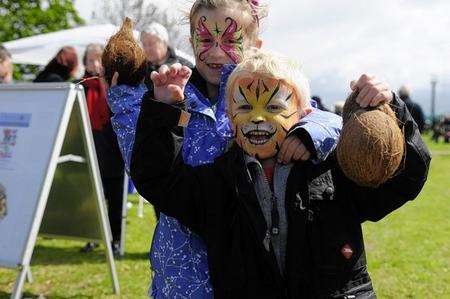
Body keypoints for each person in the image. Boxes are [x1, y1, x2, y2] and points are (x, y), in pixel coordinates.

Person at [129, 48, 430, 298]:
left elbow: (405, 180)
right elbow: (159, 181)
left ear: (305, 114)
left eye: (273, 106)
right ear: (231, 119)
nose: (258, 118)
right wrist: (164, 111)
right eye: (245, 106)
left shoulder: (333, 173)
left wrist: (392, 108)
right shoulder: (217, 184)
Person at [108, 1, 341, 296]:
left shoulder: (267, 91)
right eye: (205, 39)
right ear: (191, 40)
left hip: (250, 267)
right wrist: (131, 100)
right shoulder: (171, 93)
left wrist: (309, 133)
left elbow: (322, 118)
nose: (216, 52)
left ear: (255, 45)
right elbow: (143, 167)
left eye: (231, 40)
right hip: (183, 271)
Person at [79, 44, 125, 257]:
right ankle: (92, 237)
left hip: (112, 151)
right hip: (89, 150)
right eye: (90, 60)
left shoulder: (115, 85)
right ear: (85, 63)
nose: (95, 64)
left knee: (114, 201)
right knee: (90, 201)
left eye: (98, 60)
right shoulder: (80, 86)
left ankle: (115, 239)